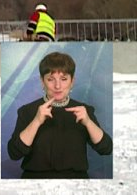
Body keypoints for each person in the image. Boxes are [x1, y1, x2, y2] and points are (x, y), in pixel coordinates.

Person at [6, 51, 112, 179]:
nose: (57, 86)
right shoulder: (27, 111)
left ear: (72, 81)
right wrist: (36, 121)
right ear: (42, 82)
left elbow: (106, 149)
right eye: (50, 79)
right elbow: (14, 154)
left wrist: (88, 123)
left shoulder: (84, 111)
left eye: (64, 79)